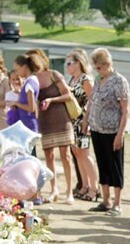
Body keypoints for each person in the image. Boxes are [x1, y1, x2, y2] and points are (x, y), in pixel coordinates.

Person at [83, 48, 130, 216]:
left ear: (108, 64)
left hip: (112, 130)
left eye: (99, 67)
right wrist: (86, 119)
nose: (97, 70)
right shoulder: (98, 80)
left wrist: (120, 134)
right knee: (102, 164)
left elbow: (125, 110)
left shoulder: (119, 81)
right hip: (97, 129)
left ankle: (117, 203)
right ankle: (106, 200)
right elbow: (92, 101)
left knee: (115, 165)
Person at [36, 51, 76, 204]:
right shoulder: (33, 79)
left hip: (61, 119)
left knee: (65, 155)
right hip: (45, 121)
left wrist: (51, 99)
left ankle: (69, 191)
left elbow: (68, 95)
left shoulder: (54, 75)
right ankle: (54, 190)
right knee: (49, 156)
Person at [66, 49, 99, 202]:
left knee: (85, 154)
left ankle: (94, 187)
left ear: (78, 63)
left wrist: (88, 121)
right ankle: (84, 185)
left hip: (83, 121)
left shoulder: (86, 79)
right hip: (72, 122)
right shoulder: (72, 80)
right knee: (77, 153)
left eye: (69, 63)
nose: (67, 66)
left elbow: (93, 101)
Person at [11, 54, 42, 156]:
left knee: (29, 156)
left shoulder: (29, 83)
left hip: (28, 125)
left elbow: (31, 107)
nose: (16, 73)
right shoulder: (30, 81)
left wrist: (16, 103)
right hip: (26, 124)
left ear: (24, 67)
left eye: (17, 69)